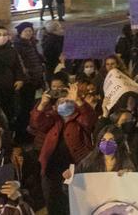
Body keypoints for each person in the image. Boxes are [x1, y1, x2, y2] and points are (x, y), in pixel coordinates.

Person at [29, 87, 97, 215]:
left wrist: (78, 99)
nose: (64, 104)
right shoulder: (52, 118)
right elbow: (36, 123)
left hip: (75, 167)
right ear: (55, 106)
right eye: (60, 102)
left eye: (68, 101)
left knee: (74, 203)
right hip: (51, 169)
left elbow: (90, 119)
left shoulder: (80, 118)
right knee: (53, 203)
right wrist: (42, 103)